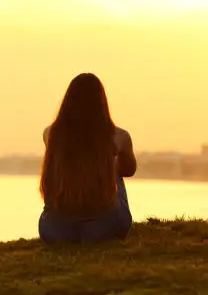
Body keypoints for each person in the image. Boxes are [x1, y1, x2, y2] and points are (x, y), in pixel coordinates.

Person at [38, 73, 137, 243]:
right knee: (113, 168)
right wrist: (108, 161)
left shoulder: (51, 134)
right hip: (102, 229)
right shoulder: (117, 137)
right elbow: (128, 170)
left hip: (56, 230)